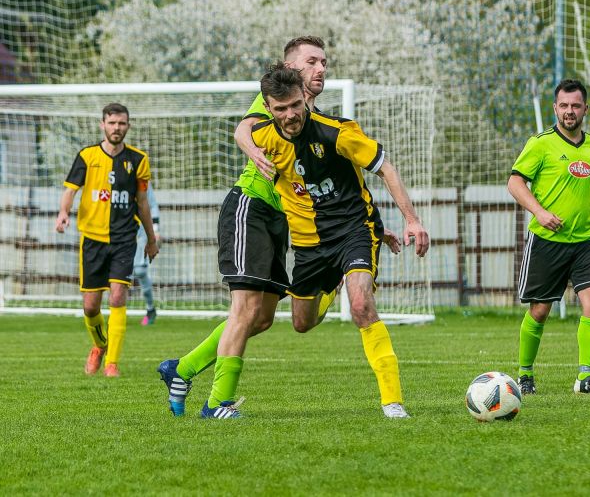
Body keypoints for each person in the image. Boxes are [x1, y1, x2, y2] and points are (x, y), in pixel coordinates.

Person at [157, 36, 401, 418]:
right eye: (310, 62)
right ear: (290, 69)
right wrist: (254, 152)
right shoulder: (278, 94)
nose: (319, 69)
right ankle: (217, 403)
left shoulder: (310, 117)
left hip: (284, 220)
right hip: (252, 206)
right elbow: (244, 129)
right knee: (245, 308)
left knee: (263, 318)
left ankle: (182, 368)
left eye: (323, 62)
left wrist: (368, 225)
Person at [234, 63, 429, 420]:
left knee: (360, 306)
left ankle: (393, 402)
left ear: (303, 99)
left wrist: (411, 220)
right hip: (309, 245)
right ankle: (331, 288)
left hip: (355, 231)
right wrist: (248, 147)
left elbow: (386, 168)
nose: (291, 114)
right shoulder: (263, 137)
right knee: (301, 324)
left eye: (295, 105)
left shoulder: (337, 132)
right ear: (268, 108)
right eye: (281, 109)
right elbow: (242, 129)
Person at [507, 79, 590, 395]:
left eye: (575, 105)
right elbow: (515, 183)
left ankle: (586, 378)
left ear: (585, 109)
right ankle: (525, 375)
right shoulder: (540, 143)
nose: (569, 111)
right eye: (564, 105)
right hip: (547, 242)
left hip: (585, 241)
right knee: (540, 311)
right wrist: (540, 213)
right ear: (555, 108)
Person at [55, 103, 159, 378]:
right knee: (90, 306)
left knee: (117, 296)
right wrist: (64, 212)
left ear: (128, 125)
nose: (117, 128)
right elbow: (70, 190)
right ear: (103, 125)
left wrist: (151, 238)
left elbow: (142, 203)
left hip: (125, 239)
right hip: (92, 239)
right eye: (112, 123)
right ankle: (100, 345)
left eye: (122, 123)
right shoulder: (87, 156)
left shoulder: (138, 160)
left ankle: (112, 362)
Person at [136, 186, 160, 325]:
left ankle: (150, 309)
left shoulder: (143, 181)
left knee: (140, 271)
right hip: (121, 231)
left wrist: (155, 230)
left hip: (142, 231)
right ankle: (116, 309)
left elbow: (152, 205)